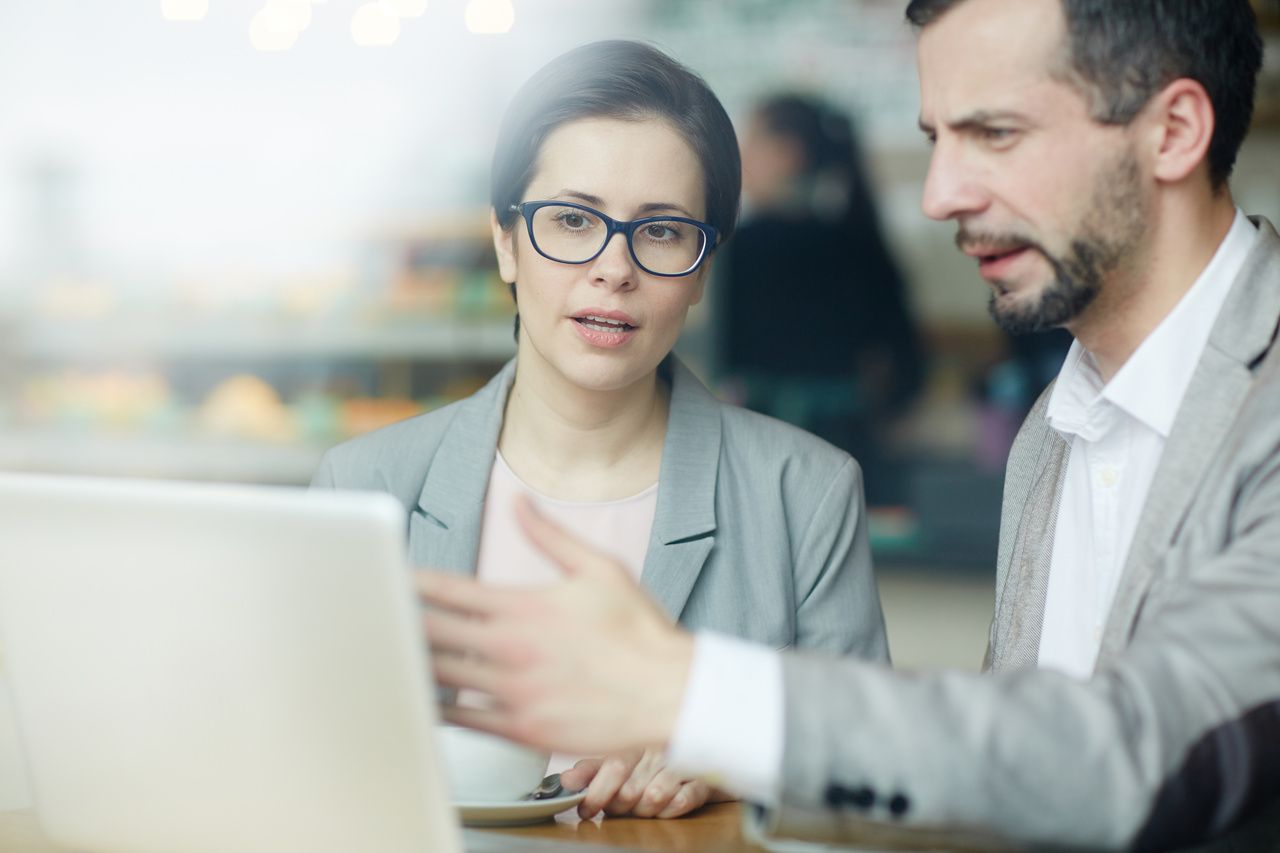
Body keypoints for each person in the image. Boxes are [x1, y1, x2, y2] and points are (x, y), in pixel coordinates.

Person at [419, 1, 1280, 849]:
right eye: (938, 137)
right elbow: (1012, 782)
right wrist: (747, 761)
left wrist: (697, 694)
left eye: (996, 134)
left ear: (1172, 131)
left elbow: (1141, 750)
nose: (941, 194)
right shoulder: (1059, 427)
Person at [312, 40, 888, 821]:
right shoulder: (362, 488)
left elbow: (873, 784)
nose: (615, 268)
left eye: (661, 232)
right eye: (574, 220)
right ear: (505, 241)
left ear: (705, 266)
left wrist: (743, 759)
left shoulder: (806, 494)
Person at [721, 94, 924, 503]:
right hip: (851, 451)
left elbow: (732, 362)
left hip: (767, 451)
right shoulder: (859, 235)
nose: (740, 157)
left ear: (788, 153)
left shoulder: (751, 245)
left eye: (751, 142)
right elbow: (905, 360)